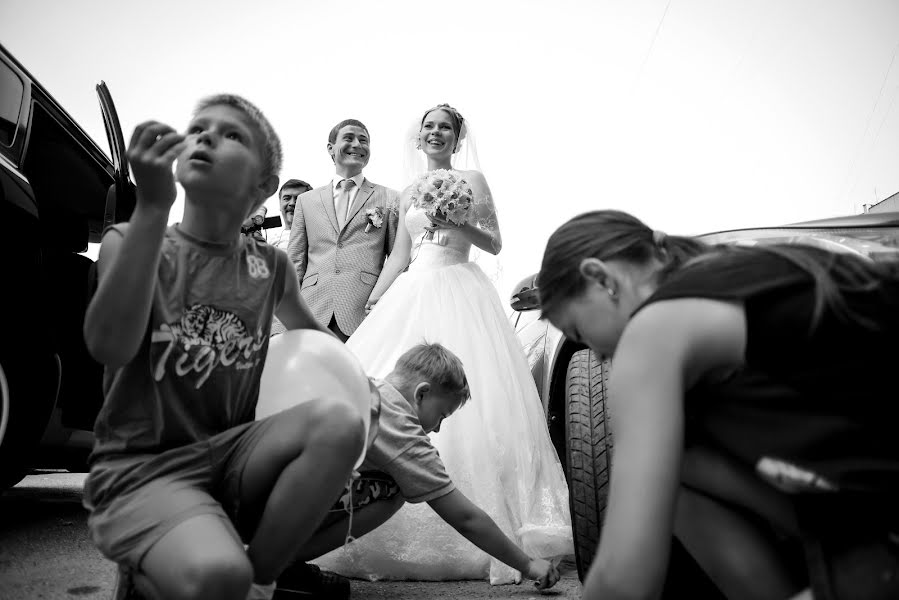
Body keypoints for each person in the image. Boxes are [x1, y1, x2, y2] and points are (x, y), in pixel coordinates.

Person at [81, 94, 365, 600]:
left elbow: (313, 338)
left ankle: (257, 577)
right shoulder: (132, 240)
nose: (207, 136)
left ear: (263, 186)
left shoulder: (269, 267)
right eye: (199, 128)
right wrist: (151, 207)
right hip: (143, 468)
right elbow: (109, 346)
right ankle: (188, 568)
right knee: (218, 577)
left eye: (232, 135)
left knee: (341, 424)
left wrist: (367, 385)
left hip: (230, 457)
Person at [537, 209, 899, 600]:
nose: (597, 354)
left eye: (579, 331)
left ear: (601, 278)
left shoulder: (653, 331)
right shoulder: (742, 268)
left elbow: (625, 583)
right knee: (675, 466)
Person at [315, 104, 573, 584]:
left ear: (457, 139)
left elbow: (493, 243)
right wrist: (376, 297)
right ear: (420, 139)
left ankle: (481, 518)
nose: (436, 134)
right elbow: (400, 253)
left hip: (460, 286)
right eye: (429, 127)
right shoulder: (408, 190)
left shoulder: (471, 178)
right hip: (415, 287)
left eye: (445, 129)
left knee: (471, 402)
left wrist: (454, 219)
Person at [276, 342, 562, 598]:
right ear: (422, 393)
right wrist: (527, 564)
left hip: (249, 486)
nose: (436, 428)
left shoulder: (360, 384)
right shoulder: (401, 429)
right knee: (395, 489)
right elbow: (465, 517)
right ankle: (281, 565)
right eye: (441, 415)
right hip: (268, 512)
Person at [286, 119, 400, 342]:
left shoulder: (390, 198)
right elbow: (294, 262)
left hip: (364, 312)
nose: (357, 144)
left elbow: (398, 259)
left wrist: (391, 307)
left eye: (363, 140)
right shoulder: (306, 201)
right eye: (348, 138)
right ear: (330, 148)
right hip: (312, 310)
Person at [273, 179, 312, 250]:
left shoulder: (320, 240)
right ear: (280, 204)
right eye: (287, 198)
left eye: (298, 199)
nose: (292, 203)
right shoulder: (271, 242)